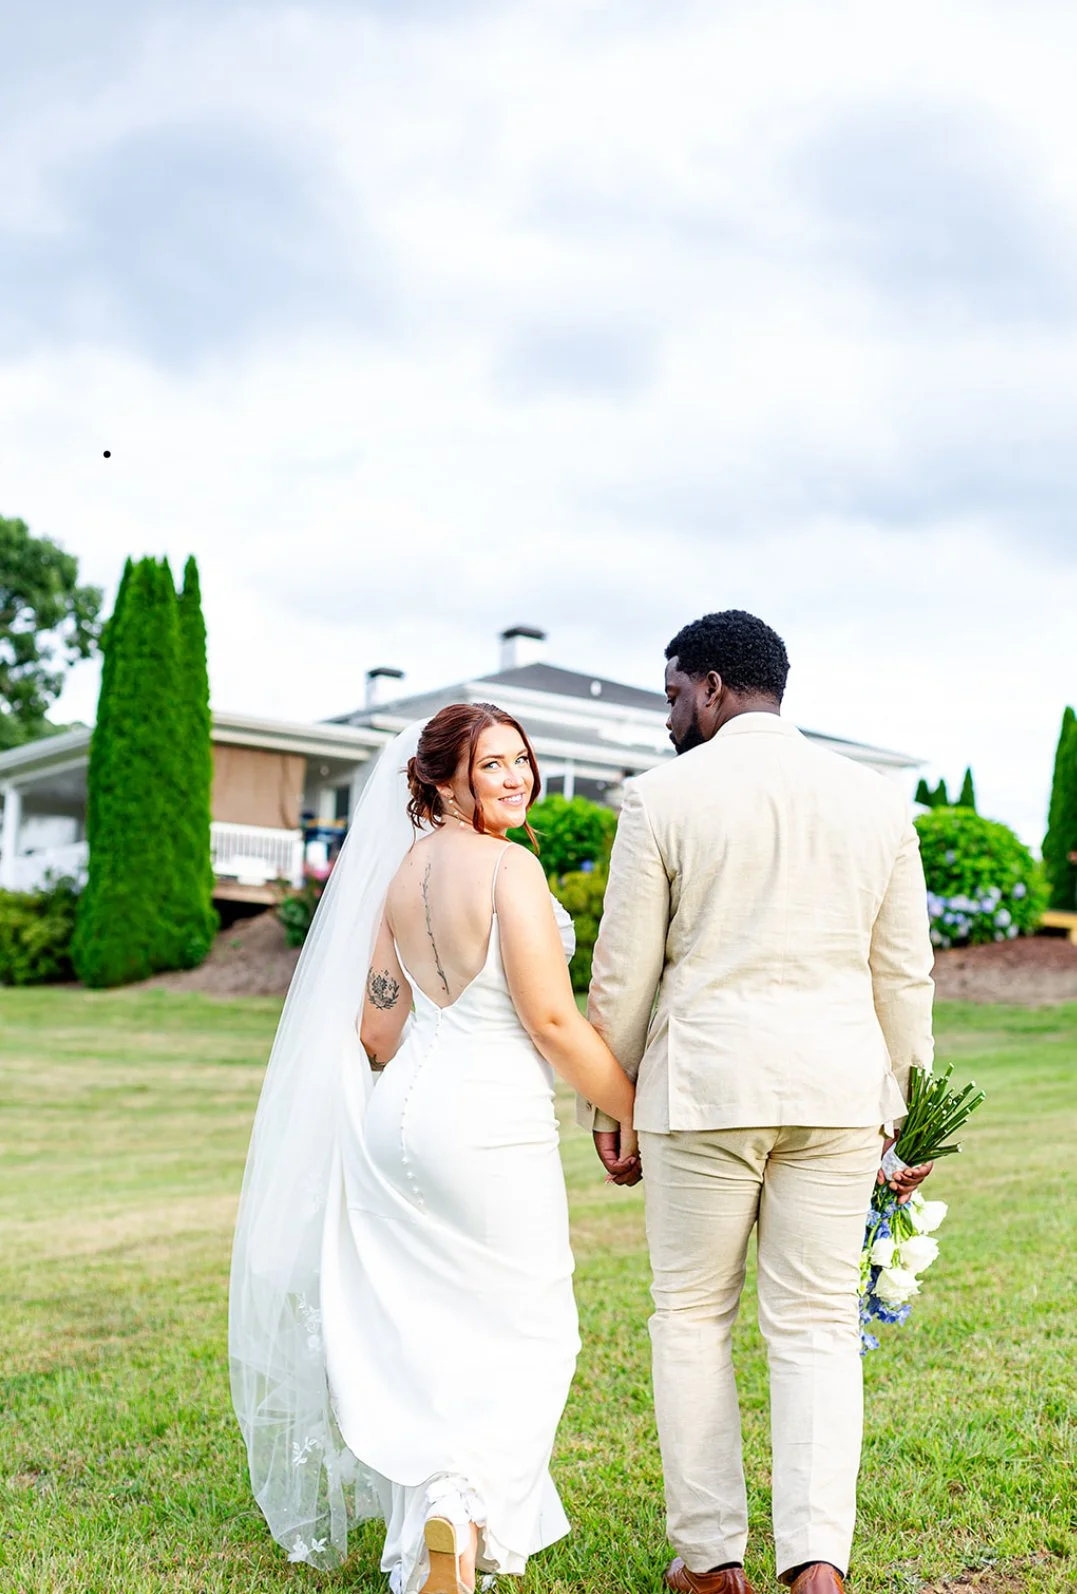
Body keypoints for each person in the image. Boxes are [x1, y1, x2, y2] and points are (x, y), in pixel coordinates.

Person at [230, 703, 635, 1594]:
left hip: (402, 1117)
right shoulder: (509, 870)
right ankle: (465, 1500)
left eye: (521, 759)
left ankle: (437, 1540)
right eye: (494, 764)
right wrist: (633, 1107)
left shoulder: (400, 871)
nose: (517, 776)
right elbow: (555, 1023)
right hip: (489, 1124)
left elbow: (378, 1028)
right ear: (443, 779)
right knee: (534, 1329)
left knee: (437, 1330)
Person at [578, 611, 936, 1594]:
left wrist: (607, 1105)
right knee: (817, 1325)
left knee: (691, 1316)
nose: (667, 719)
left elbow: (622, 974)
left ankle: (711, 1562)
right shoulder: (875, 802)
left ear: (715, 688)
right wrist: (907, 1110)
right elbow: (904, 975)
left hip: (704, 1088)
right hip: (838, 1091)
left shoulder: (660, 800)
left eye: (671, 696)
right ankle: (817, 1564)